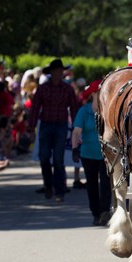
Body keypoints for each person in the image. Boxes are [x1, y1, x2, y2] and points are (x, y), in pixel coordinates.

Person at [28, 58, 79, 202]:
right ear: (51, 72)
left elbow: (74, 108)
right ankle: (48, 185)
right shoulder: (43, 88)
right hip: (45, 125)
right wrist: (31, 127)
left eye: (61, 71)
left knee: (58, 159)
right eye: (56, 71)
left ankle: (60, 191)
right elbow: (35, 108)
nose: (59, 73)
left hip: (61, 126)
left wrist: (76, 127)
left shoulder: (67, 89)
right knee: (44, 157)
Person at [71, 79, 112, 226]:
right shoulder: (84, 111)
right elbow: (76, 132)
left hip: (106, 153)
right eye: (99, 91)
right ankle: (95, 213)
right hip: (88, 154)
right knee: (92, 184)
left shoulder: (108, 110)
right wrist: (75, 148)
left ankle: (105, 211)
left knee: (106, 183)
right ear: (93, 94)